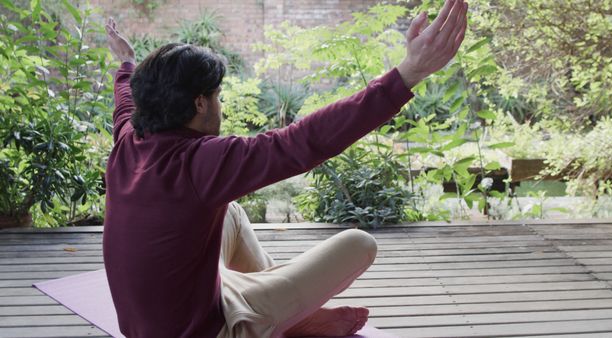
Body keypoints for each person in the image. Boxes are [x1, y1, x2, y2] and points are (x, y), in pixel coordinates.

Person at [103, 0, 467, 337]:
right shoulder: (202, 163)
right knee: (360, 243)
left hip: (149, 325)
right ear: (200, 102)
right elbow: (302, 142)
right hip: (203, 332)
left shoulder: (128, 140)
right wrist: (408, 74)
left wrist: (127, 64)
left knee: (230, 213)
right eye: (217, 95)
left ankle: (292, 315)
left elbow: (124, 103)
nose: (220, 104)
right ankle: (286, 320)